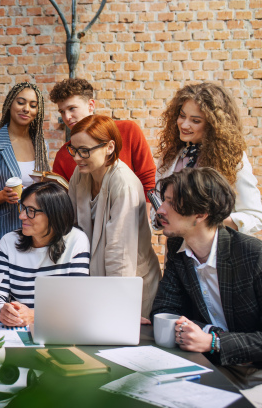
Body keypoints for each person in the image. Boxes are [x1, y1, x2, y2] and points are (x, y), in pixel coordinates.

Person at [151, 167, 262, 389]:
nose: (160, 209)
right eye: (163, 200)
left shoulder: (253, 255)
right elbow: (165, 310)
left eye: (171, 203)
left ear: (200, 214)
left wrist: (214, 342)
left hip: (253, 372)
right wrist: (208, 334)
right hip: (204, 364)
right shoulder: (177, 246)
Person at [67, 115, 161, 318]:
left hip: (127, 285)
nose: (76, 157)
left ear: (109, 147)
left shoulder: (123, 183)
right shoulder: (80, 173)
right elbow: (72, 228)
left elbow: (120, 253)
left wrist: (117, 306)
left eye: (84, 151)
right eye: (73, 150)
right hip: (97, 281)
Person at [155, 82, 262, 235]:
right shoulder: (170, 156)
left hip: (217, 254)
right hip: (176, 253)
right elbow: (158, 213)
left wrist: (207, 219)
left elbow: (255, 217)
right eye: (182, 116)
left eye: (195, 120)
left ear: (214, 125)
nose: (184, 124)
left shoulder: (233, 159)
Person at [0, 182, 90, 327]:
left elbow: (78, 302)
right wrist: (2, 311)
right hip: (18, 330)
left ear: (54, 215)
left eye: (31, 211)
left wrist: (35, 315)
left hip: (60, 329)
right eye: (22, 208)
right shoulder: (8, 242)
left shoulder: (76, 240)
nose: (22, 216)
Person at [0, 82, 50, 264]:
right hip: (2, 234)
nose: (26, 109)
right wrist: (1, 196)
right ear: (10, 104)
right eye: (21, 102)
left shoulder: (41, 147)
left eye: (33, 105)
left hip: (36, 237)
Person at [50, 78, 156, 198]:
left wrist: (146, 216)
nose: (67, 117)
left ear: (91, 105)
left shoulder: (128, 130)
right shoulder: (63, 155)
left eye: (72, 108)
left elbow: (148, 177)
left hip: (131, 212)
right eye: (62, 112)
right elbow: (60, 200)